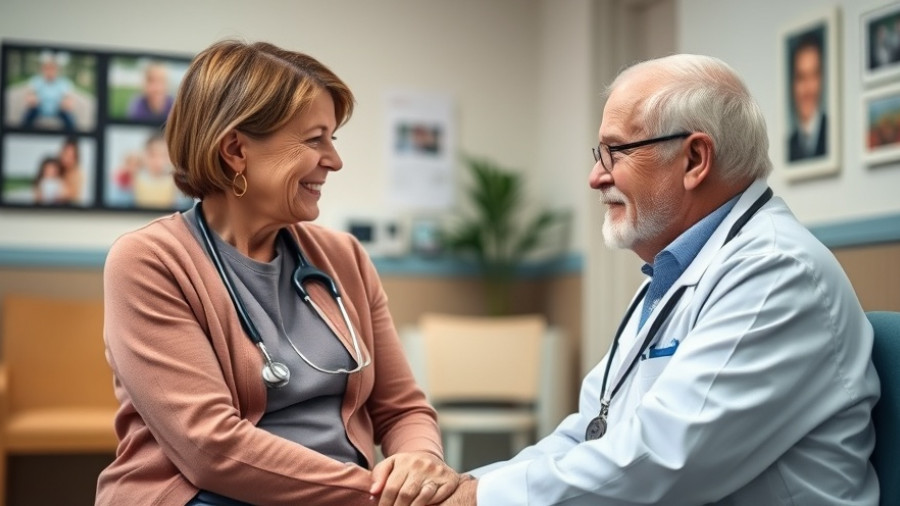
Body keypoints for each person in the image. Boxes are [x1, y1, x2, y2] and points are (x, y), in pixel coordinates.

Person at [439, 54, 880, 505]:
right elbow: (591, 431)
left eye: (615, 152)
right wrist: (461, 487)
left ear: (694, 159)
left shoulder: (775, 272)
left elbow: (661, 459)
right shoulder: (675, 273)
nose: (596, 176)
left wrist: (476, 499)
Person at [97, 40, 459, 506]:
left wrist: (420, 465)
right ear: (235, 150)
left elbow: (402, 408)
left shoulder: (344, 258)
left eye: (332, 139)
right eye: (315, 139)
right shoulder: (150, 261)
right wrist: (376, 496)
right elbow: (211, 448)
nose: (334, 161)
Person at [788, 32, 827, 161]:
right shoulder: (789, 145)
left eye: (813, 76)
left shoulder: (832, 132)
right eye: (801, 77)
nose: (808, 88)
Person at [21, 52, 76, 130]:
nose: (50, 71)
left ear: (58, 70)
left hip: (58, 109)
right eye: (47, 68)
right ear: (42, 69)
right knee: (28, 115)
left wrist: (66, 103)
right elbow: (30, 95)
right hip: (39, 107)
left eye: (53, 69)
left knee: (70, 118)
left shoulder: (64, 83)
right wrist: (31, 99)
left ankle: (72, 135)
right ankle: (23, 132)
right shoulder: (35, 80)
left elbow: (68, 99)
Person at [58, 136, 84, 204]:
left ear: (76, 158)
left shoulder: (78, 174)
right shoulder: (55, 168)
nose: (67, 159)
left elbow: (71, 195)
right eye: (65, 154)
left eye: (71, 156)